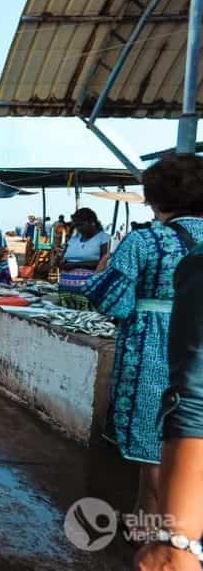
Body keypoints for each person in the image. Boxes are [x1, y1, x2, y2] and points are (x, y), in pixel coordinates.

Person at [82, 155, 203, 537]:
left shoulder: (145, 240)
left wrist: (99, 275)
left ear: (155, 199)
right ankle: (144, 516)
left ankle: (155, 533)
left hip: (155, 345)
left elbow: (112, 299)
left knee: (155, 441)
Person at [134, 243, 203, 570]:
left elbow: (196, 393)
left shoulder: (142, 242)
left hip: (146, 351)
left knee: (146, 452)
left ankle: (146, 525)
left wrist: (177, 541)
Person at [58, 207, 110, 310]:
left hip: (88, 291)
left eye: (81, 225)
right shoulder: (74, 239)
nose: (79, 228)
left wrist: (76, 265)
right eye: (77, 225)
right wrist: (61, 262)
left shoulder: (104, 238)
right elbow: (61, 260)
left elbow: (104, 262)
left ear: (92, 223)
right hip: (66, 291)